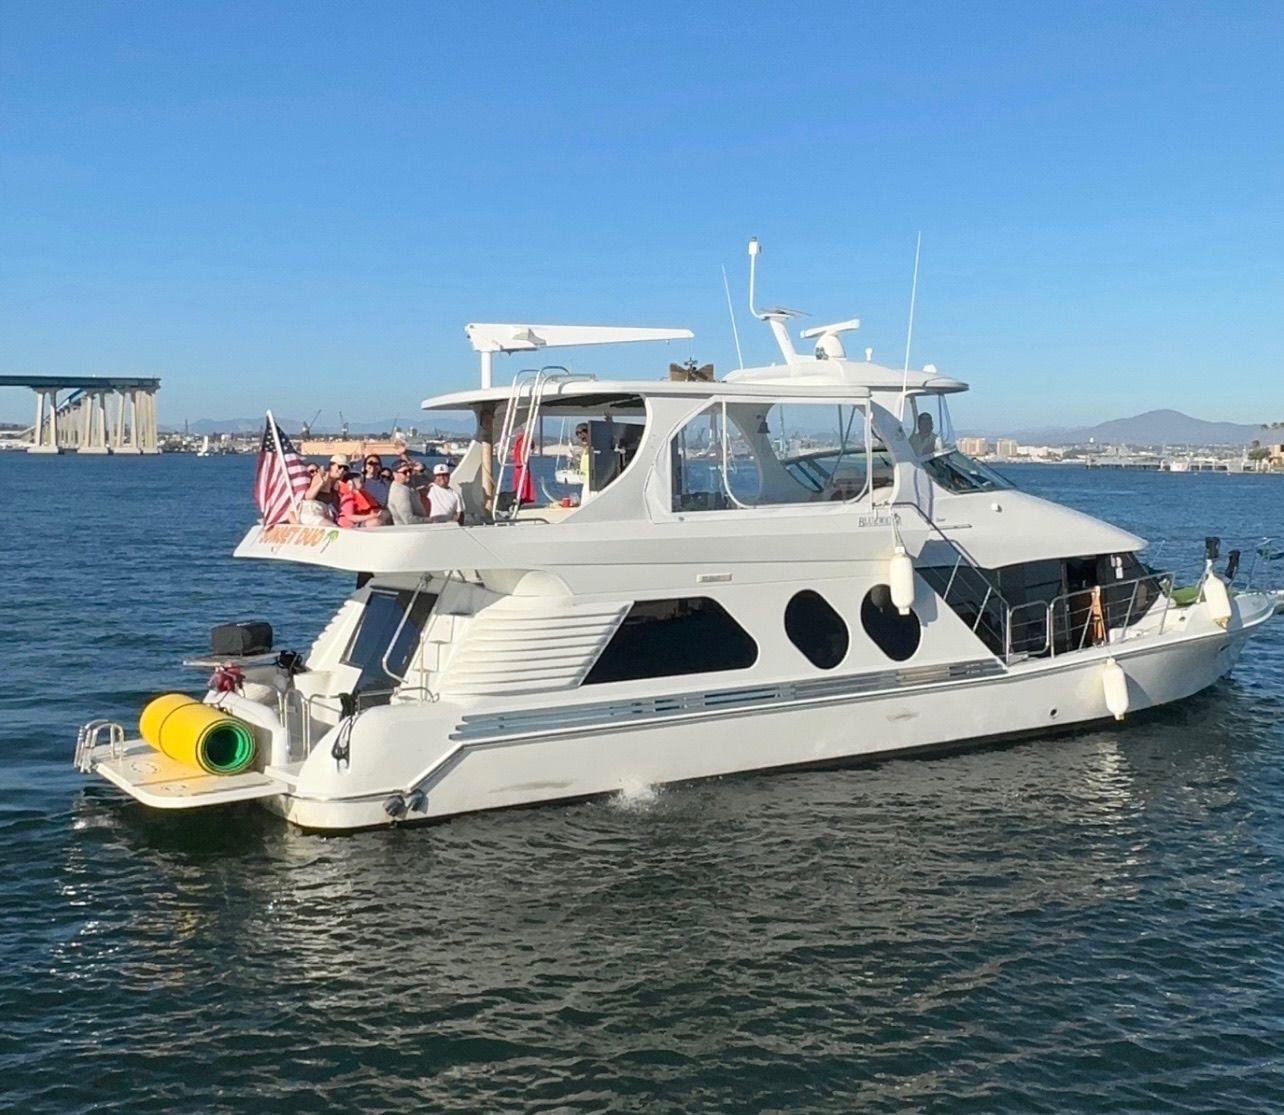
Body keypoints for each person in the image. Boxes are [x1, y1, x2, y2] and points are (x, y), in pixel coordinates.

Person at [297, 453, 347, 524]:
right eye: (339, 466)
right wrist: (320, 484)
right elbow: (307, 497)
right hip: (310, 513)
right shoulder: (322, 476)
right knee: (332, 527)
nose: (342, 470)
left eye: (345, 468)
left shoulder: (337, 482)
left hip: (321, 514)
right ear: (331, 466)